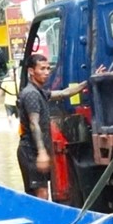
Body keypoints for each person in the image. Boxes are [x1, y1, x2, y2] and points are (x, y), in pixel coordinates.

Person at [16, 54, 87, 198]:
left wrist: (89, 81)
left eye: (48, 68)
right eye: (42, 69)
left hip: (35, 150)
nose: (47, 72)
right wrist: (41, 152)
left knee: (40, 193)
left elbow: (64, 93)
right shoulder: (31, 94)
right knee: (41, 194)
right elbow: (33, 123)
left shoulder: (40, 92)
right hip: (31, 151)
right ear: (31, 71)